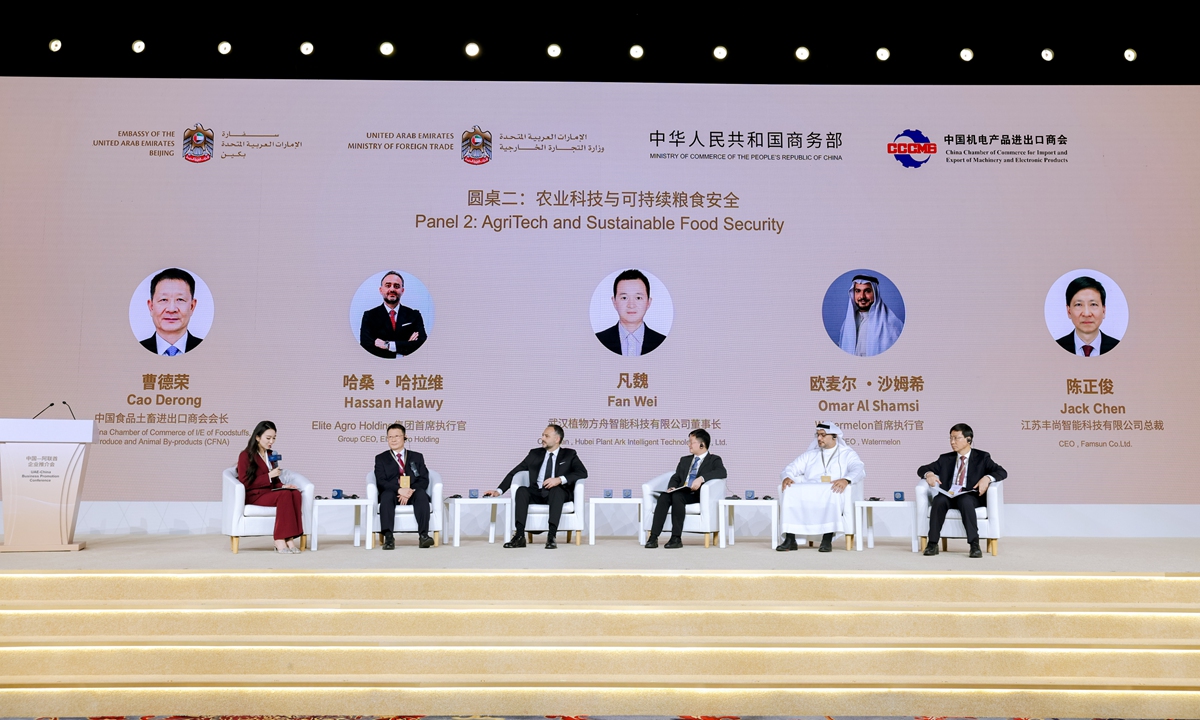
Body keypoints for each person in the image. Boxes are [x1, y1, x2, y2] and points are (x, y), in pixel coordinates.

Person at [486, 424, 587, 549]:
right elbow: (515, 471)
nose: (542, 438)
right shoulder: (535, 453)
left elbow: (582, 472)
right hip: (537, 492)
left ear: (557, 439)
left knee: (556, 490)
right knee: (521, 490)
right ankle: (519, 536)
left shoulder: (569, 454)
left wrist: (559, 480)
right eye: (542, 435)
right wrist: (498, 491)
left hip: (557, 493)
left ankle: (551, 536)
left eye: (546, 436)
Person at [917, 423, 1007, 558]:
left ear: (968, 439)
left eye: (956, 438)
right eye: (950, 438)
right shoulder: (945, 458)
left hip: (970, 495)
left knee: (965, 500)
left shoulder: (982, 457)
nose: (952, 442)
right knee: (938, 500)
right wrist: (929, 474)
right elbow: (922, 468)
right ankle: (933, 543)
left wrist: (987, 478)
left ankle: (974, 545)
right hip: (950, 495)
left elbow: (1002, 472)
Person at [777, 422, 865, 553]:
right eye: (818, 435)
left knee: (832, 491)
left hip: (832, 490)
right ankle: (790, 539)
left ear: (834, 436)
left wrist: (846, 479)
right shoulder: (811, 455)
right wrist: (787, 477)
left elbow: (859, 468)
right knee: (789, 489)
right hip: (810, 491)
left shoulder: (847, 454)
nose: (819, 438)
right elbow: (790, 468)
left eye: (823, 435)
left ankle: (827, 539)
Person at [646, 428, 727, 549]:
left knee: (677, 497)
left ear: (702, 444)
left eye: (691, 442)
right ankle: (653, 538)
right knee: (664, 497)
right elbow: (676, 476)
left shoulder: (714, 459)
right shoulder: (685, 460)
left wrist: (701, 478)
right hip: (681, 491)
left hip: (697, 494)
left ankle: (676, 538)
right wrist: (672, 487)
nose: (688, 444)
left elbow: (722, 472)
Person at [235, 421, 304, 553]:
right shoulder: (245, 455)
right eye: (268, 438)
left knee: (294, 493)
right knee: (284, 495)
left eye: (274, 438)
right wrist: (268, 476)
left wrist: (283, 485)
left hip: (269, 492)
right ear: (257, 437)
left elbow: (275, 480)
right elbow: (245, 482)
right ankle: (279, 539)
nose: (271, 441)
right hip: (254, 495)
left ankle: (290, 538)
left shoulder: (271, 454)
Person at [373, 423, 433, 549]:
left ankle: (424, 536)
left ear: (405, 437)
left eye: (396, 436)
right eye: (390, 437)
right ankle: (388, 538)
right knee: (387, 496)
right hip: (392, 492)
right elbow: (381, 481)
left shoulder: (417, 457)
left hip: (412, 491)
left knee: (421, 494)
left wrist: (409, 491)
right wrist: (399, 490)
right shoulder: (381, 458)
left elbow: (424, 479)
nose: (393, 440)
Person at [595, 269, 667, 356]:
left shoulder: (663, 342)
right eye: (624, 298)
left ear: (648, 302)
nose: (631, 305)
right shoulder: (598, 340)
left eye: (638, 298)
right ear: (614, 302)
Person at [359, 271, 428, 358]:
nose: (392, 289)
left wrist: (387, 345)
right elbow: (366, 347)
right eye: (388, 285)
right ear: (381, 290)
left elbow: (422, 344)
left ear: (402, 290)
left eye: (396, 286)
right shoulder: (369, 316)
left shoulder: (414, 315)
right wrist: (404, 351)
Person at [140, 268, 204, 355]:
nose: (171, 309)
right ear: (151, 307)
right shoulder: (133, 352)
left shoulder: (209, 350)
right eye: (163, 300)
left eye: (180, 299)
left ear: (192, 306)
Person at [837, 274, 903, 356]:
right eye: (858, 291)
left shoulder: (891, 324)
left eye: (867, 291)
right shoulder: (848, 322)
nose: (862, 296)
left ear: (875, 293)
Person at [1056, 276, 1120, 356]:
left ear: (1103, 310)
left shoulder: (1119, 348)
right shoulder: (1055, 348)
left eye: (1093, 304)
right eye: (1078, 304)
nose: (1086, 314)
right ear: (1069, 311)